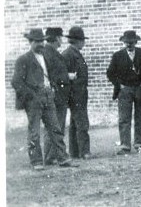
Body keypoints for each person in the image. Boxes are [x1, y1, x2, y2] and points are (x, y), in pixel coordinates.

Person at [11, 28, 76, 170]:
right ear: (30, 42)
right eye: (37, 41)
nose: (40, 44)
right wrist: (31, 96)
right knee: (34, 131)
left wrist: (52, 88)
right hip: (34, 100)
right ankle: (36, 161)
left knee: (55, 129)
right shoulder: (23, 59)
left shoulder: (45, 57)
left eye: (42, 41)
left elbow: (50, 75)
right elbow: (16, 82)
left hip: (48, 96)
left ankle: (63, 158)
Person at [106, 29, 141, 154]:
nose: (129, 45)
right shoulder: (117, 56)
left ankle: (139, 143)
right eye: (126, 42)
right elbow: (110, 73)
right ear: (123, 43)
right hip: (124, 90)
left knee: (140, 117)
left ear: (136, 42)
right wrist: (119, 84)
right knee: (124, 118)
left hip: (140, 89)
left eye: (131, 42)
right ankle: (125, 145)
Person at [61, 26, 91, 160]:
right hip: (75, 94)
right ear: (77, 41)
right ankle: (84, 152)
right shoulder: (68, 54)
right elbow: (62, 74)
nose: (83, 43)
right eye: (82, 40)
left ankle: (75, 152)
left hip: (79, 94)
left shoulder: (74, 53)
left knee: (75, 123)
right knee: (82, 123)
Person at [42, 27, 70, 166]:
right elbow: (51, 74)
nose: (61, 40)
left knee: (56, 125)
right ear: (56, 38)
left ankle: (51, 155)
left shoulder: (51, 52)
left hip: (59, 93)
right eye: (60, 37)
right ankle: (49, 156)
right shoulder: (48, 53)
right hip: (56, 94)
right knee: (54, 126)